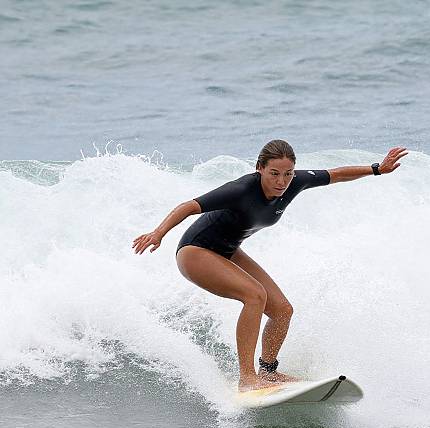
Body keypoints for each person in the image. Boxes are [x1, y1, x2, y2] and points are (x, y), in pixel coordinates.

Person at [133, 140, 408, 391]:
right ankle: (247, 378)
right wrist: (158, 233)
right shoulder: (241, 189)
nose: (282, 181)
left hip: (227, 250)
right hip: (195, 251)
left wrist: (377, 169)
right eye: (274, 173)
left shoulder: (296, 182)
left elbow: (334, 174)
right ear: (259, 169)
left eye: (288, 174)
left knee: (282, 310)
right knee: (255, 296)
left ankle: (267, 372)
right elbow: (189, 206)